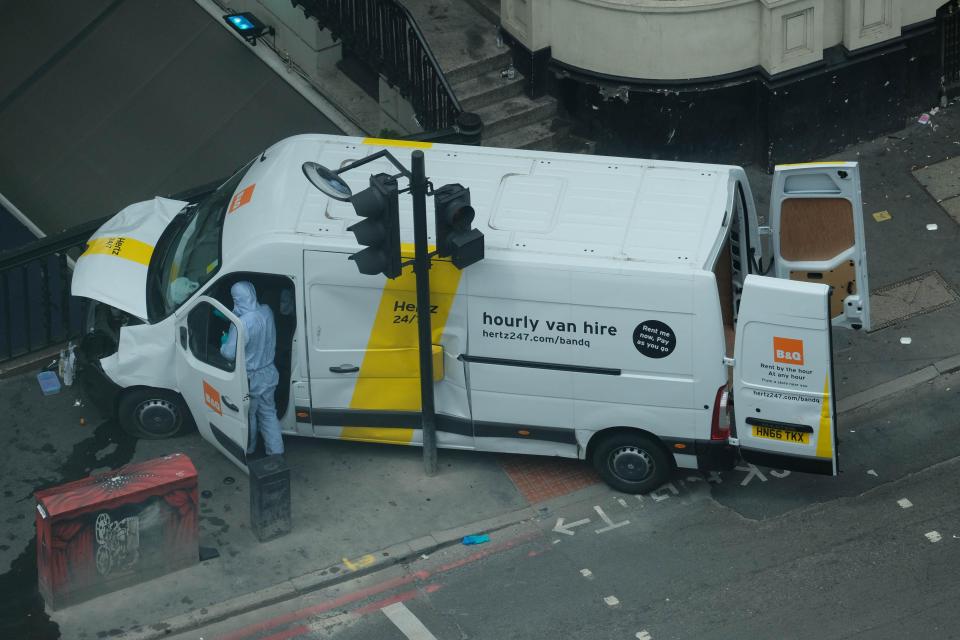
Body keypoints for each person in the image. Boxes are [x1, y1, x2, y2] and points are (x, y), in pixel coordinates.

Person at [219, 281, 284, 456]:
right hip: (269, 372)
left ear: (236, 298)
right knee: (269, 413)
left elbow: (229, 354)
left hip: (250, 378)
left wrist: (224, 342)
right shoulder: (267, 311)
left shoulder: (241, 323)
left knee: (249, 416)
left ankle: (250, 449)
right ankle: (276, 452)